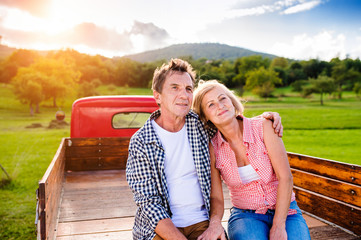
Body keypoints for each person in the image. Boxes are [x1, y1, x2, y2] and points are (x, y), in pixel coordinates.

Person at [126, 59, 283, 240]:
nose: (184, 95)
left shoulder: (200, 125)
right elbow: (148, 204)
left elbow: (229, 120)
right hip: (160, 228)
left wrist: (266, 119)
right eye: (174, 87)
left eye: (188, 89)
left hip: (202, 223)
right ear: (157, 96)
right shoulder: (141, 142)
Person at [192, 80, 311, 240]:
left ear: (232, 102)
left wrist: (278, 225)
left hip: (286, 212)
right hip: (246, 216)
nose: (220, 106)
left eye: (222, 99)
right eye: (210, 105)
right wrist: (215, 223)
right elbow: (217, 197)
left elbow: (286, 178)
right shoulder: (212, 147)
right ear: (205, 116)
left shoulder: (264, 127)